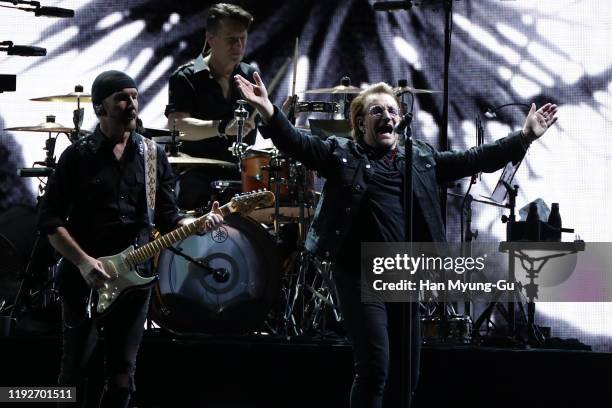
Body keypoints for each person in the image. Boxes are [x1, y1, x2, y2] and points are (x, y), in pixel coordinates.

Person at [235, 72, 558, 407]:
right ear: (359, 123)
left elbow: (474, 159)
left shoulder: (419, 159)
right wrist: (269, 111)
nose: (387, 116)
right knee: (375, 370)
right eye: (377, 111)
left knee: (406, 379)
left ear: (400, 120)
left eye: (392, 111)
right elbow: (297, 143)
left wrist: (524, 137)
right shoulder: (341, 155)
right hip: (357, 272)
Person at [38, 70, 223, 408]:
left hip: (134, 281)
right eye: (121, 98)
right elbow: (49, 219)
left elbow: (169, 217)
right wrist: (82, 261)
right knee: (73, 375)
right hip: (85, 279)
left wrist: (195, 222)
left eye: (135, 97)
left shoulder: (152, 156)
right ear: (100, 109)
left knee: (123, 376)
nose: (131, 104)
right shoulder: (77, 158)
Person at [165, 3, 258, 210]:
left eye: (243, 39)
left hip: (242, 172)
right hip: (199, 177)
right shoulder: (187, 76)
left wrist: (282, 114)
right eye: (231, 39)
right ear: (210, 38)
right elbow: (176, 125)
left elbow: (260, 122)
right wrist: (224, 126)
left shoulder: (249, 75)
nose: (238, 46)